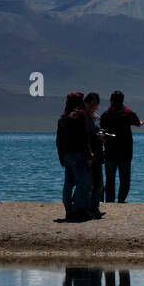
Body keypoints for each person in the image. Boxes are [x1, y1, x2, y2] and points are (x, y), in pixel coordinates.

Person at [99, 90, 143, 203]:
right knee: (124, 179)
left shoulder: (105, 115)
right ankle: (121, 200)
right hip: (125, 152)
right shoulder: (129, 114)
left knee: (109, 179)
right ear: (122, 100)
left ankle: (109, 201)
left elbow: (101, 130)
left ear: (111, 100)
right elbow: (138, 124)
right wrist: (141, 123)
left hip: (110, 152)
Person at [56, 92, 93, 221]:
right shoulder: (79, 116)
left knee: (68, 183)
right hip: (78, 155)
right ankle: (78, 209)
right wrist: (88, 156)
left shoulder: (63, 118)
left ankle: (68, 210)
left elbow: (58, 140)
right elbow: (83, 139)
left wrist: (61, 157)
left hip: (66, 155)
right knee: (83, 183)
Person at [83, 92, 104, 219]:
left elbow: (100, 130)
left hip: (98, 152)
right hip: (86, 153)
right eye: (91, 104)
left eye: (95, 105)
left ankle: (94, 207)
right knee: (86, 183)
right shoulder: (82, 118)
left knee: (99, 183)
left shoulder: (97, 118)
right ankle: (85, 207)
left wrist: (102, 136)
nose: (93, 107)